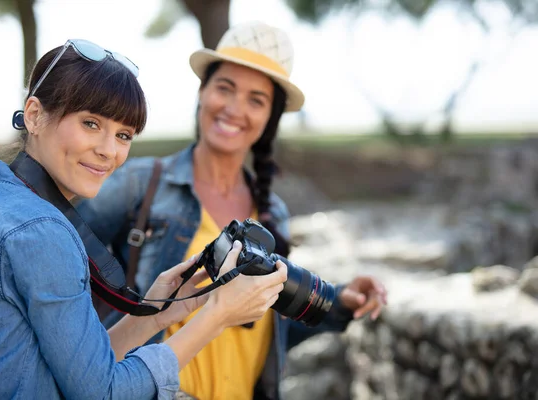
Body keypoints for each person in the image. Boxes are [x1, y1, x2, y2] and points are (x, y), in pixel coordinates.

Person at [0, 39, 289, 400]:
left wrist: (154, 314)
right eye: (91, 123)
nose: (109, 151)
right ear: (34, 115)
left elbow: (82, 374)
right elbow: (104, 393)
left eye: (123, 135)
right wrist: (215, 316)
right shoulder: (39, 230)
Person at [77, 22, 388, 400]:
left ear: (270, 117)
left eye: (256, 99)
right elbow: (55, 256)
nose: (235, 108)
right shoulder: (140, 185)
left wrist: (338, 302)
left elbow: (266, 329)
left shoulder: (272, 211)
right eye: (225, 88)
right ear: (202, 92)